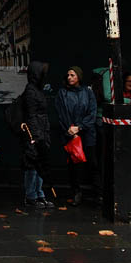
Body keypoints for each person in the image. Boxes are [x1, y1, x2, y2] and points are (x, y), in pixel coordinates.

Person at [54, 66, 100, 207]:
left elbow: (92, 113)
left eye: (72, 75)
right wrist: (71, 130)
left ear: (78, 77)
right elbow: (61, 114)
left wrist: (79, 127)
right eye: (68, 75)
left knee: (92, 163)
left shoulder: (87, 92)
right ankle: (76, 193)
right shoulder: (62, 93)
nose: (69, 77)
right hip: (71, 134)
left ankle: (98, 194)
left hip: (87, 133)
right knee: (74, 165)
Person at [15, 61, 54, 209]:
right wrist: (36, 137)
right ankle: (31, 196)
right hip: (34, 133)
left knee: (40, 163)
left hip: (41, 131)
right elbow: (31, 115)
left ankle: (39, 194)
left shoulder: (37, 89)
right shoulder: (31, 91)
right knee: (32, 164)